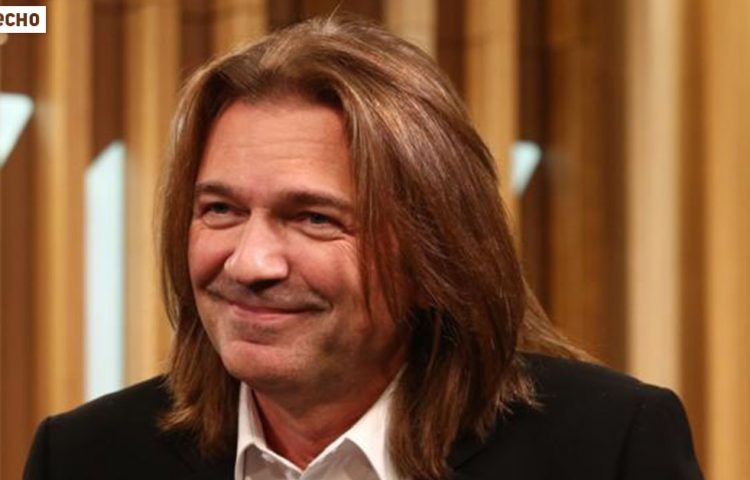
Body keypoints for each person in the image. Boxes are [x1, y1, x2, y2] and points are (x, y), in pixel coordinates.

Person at [24, 16, 702, 480]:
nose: (250, 263)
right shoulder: (83, 457)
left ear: (434, 251)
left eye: (314, 218)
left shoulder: (608, 449)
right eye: (221, 210)